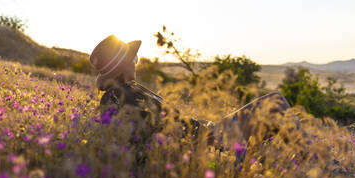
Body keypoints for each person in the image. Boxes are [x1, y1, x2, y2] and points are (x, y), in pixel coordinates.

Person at [89, 35, 301, 167]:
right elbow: (158, 135)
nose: (137, 61)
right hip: (207, 144)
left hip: (204, 138)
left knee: (270, 114)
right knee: (276, 103)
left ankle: (306, 165)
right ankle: (325, 166)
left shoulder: (121, 95)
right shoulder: (125, 97)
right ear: (125, 64)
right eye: (133, 58)